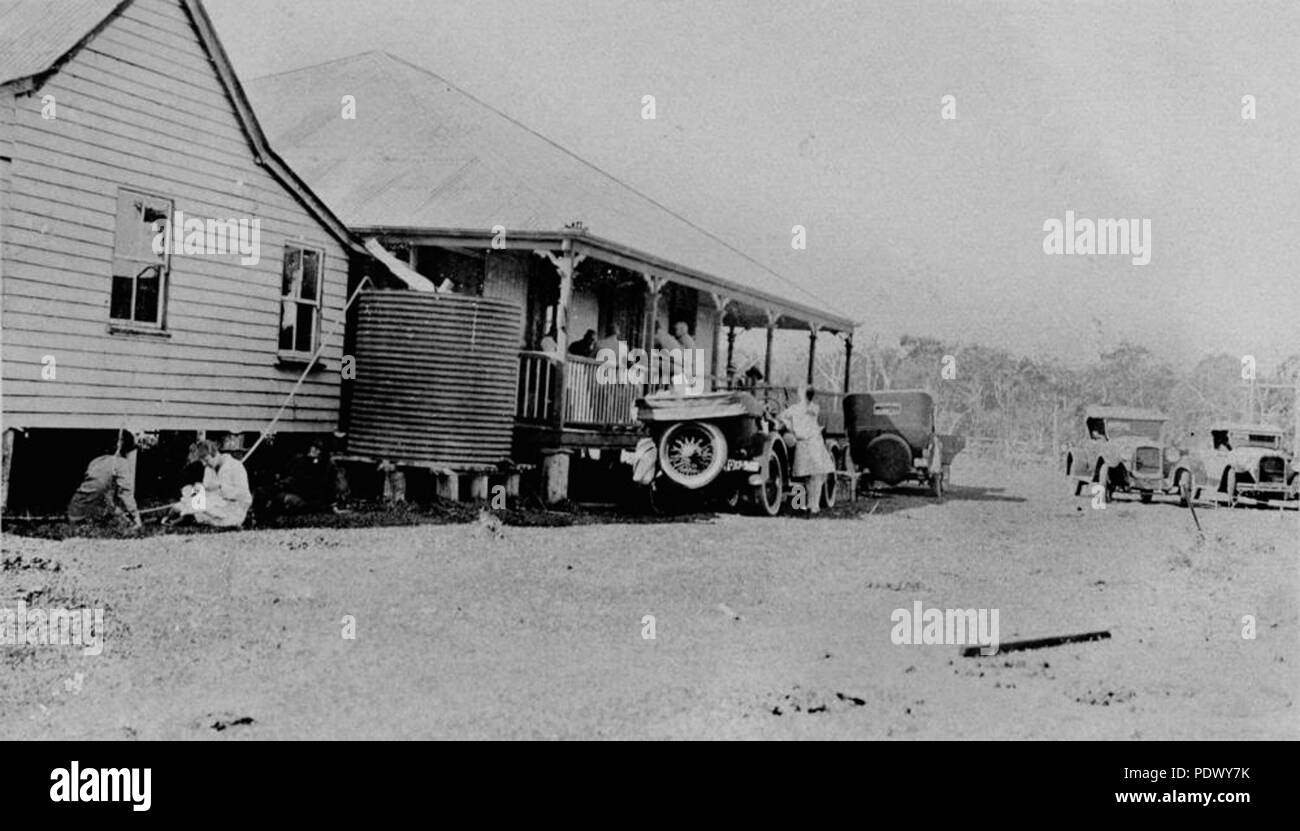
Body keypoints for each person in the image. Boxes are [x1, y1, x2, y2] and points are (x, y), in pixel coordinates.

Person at [167, 439, 252, 528]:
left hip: (234, 509)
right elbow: (207, 491)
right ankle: (183, 515)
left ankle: (187, 516)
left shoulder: (235, 466)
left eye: (206, 460)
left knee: (198, 510)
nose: (204, 464)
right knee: (187, 500)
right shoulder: (209, 468)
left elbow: (244, 496)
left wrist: (220, 487)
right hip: (216, 506)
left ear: (215, 454)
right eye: (203, 461)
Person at [67, 432, 142, 530]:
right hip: (90, 515)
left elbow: (100, 489)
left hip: (74, 510)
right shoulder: (120, 463)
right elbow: (125, 493)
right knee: (120, 519)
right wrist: (136, 517)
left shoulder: (96, 461)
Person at [780, 387, 835, 515]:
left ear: (801, 395)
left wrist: (789, 426)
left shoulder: (797, 409)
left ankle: (805, 505)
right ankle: (812, 505)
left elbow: (782, 417)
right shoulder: (813, 408)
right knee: (815, 476)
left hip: (805, 444)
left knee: (808, 477)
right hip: (813, 442)